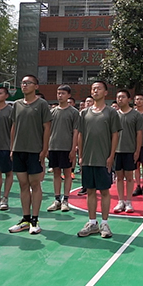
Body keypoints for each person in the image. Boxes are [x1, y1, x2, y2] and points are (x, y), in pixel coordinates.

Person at [76, 81, 121, 238]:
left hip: (103, 159)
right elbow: (80, 135)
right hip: (88, 159)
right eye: (93, 88)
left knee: (104, 191)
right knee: (90, 191)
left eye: (99, 88)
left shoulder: (111, 112)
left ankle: (105, 223)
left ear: (105, 92)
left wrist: (111, 156)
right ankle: (92, 222)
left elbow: (115, 135)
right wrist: (81, 156)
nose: (95, 91)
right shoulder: (84, 113)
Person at [8, 75, 51, 235]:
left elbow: (47, 128)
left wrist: (44, 149)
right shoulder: (17, 104)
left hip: (35, 151)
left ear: (36, 86)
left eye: (28, 83)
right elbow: (13, 126)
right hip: (19, 150)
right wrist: (12, 147)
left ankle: (35, 220)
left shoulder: (42, 104)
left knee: (35, 184)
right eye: (23, 83)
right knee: (23, 185)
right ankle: (25, 219)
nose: (24, 85)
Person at [46, 85, 79, 213]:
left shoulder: (74, 112)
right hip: (53, 146)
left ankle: (66, 200)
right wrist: (47, 147)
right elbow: (47, 130)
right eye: (58, 93)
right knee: (56, 173)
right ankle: (57, 200)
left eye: (63, 93)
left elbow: (76, 131)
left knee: (67, 174)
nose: (60, 95)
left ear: (69, 95)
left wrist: (73, 148)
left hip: (66, 147)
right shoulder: (52, 112)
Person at [112, 89, 141, 214]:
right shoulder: (113, 115)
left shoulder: (136, 115)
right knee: (119, 177)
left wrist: (137, 150)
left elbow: (139, 134)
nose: (120, 99)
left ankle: (128, 201)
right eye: (118, 97)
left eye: (123, 97)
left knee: (129, 177)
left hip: (130, 150)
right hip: (116, 151)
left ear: (129, 99)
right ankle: (120, 201)